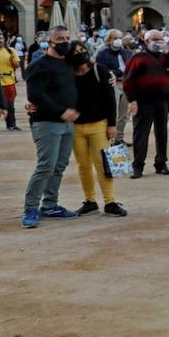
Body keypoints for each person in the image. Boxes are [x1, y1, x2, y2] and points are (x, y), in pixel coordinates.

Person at [20, 25, 82, 228]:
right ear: (50, 42)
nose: (65, 42)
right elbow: (36, 95)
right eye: (60, 39)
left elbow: (89, 65)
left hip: (67, 123)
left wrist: (109, 75)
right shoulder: (39, 65)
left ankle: (50, 204)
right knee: (46, 165)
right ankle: (30, 208)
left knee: (59, 166)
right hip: (46, 122)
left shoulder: (69, 63)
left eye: (67, 38)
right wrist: (60, 111)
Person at [67, 39, 128, 218]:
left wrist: (112, 125)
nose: (79, 53)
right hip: (76, 127)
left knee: (103, 164)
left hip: (99, 125)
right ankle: (90, 201)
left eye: (81, 49)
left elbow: (110, 99)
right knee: (83, 165)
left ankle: (110, 201)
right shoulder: (67, 74)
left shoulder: (99, 70)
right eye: (75, 51)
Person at [121, 28, 169, 178]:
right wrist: (132, 100)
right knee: (141, 134)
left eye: (160, 39)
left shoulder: (164, 56)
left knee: (162, 133)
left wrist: (168, 52)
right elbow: (128, 80)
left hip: (162, 99)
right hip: (143, 100)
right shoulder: (138, 57)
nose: (158, 42)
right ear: (146, 41)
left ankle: (161, 163)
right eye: (154, 39)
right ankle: (138, 166)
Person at [95, 29, 131, 138]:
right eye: (115, 38)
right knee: (113, 112)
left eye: (120, 38)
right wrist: (119, 71)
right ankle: (111, 138)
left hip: (125, 83)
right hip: (112, 84)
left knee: (124, 114)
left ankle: (119, 138)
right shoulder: (102, 54)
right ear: (109, 40)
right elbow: (103, 70)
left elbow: (130, 68)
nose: (118, 40)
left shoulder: (126, 53)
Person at [0, 29, 22, 131]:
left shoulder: (10, 50)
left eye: (0, 38)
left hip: (8, 82)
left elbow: (17, 65)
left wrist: (11, 60)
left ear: (4, 39)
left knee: (10, 105)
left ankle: (11, 125)